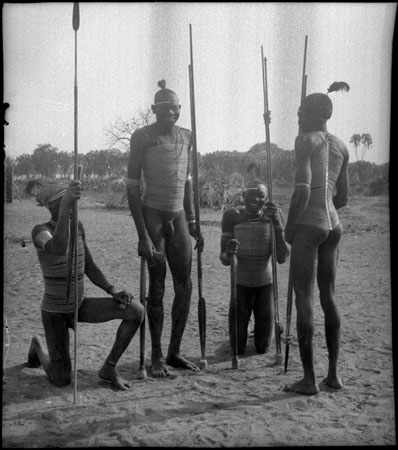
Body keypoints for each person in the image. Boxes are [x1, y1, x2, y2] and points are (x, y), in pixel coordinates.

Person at [27, 181, 144, 391]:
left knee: (135, 311)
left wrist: (111, 289)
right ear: (54, 206)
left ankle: (109, 368)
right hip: (56, 312)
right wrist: (64, 208)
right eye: (68, 204)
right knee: (61, 379)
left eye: (73, 203)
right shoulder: (40, 231)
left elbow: (88, 265)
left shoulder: (78, 227)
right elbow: (59, 247)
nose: (73, 208)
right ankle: (38, 346)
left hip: (79, 305)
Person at [126, 80, 204, 377]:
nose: (169, 112)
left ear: (180, 109)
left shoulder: (188, 137)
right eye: (162, 108)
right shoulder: (142, 137)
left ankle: (174, 351)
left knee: (185, 286)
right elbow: (133, 188)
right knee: (156, 289)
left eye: (173, 107)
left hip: (179, 215)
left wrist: (194, 221)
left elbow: (187, 181)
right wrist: (142, 235)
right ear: (153, 110)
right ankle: (156, 354)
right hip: (153, 214)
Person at [283, 92, 349, 395]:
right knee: (329, 297)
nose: (297, 115)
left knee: (304, 299)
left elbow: (302, 192)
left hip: (310, 225)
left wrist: (290, 228)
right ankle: (333, 375)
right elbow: (343, 198)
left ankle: (309, 379)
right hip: (334, 225)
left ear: (312, 115)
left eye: (301, 111)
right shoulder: (341, 146)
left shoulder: (305, 141)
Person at [219, 180, 290, 356]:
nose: (255, 199)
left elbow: (282, 258)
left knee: (262, 349)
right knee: (237, 348)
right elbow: (224, 259)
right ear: (243, 196)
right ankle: (250, 325)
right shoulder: (231, 216)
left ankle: (275, 326)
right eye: (251, 194)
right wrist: (228, 252)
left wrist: (278, 227)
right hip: (241, 285)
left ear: (266, 199)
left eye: (261, 196)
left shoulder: (274, 214)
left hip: (265, 285)